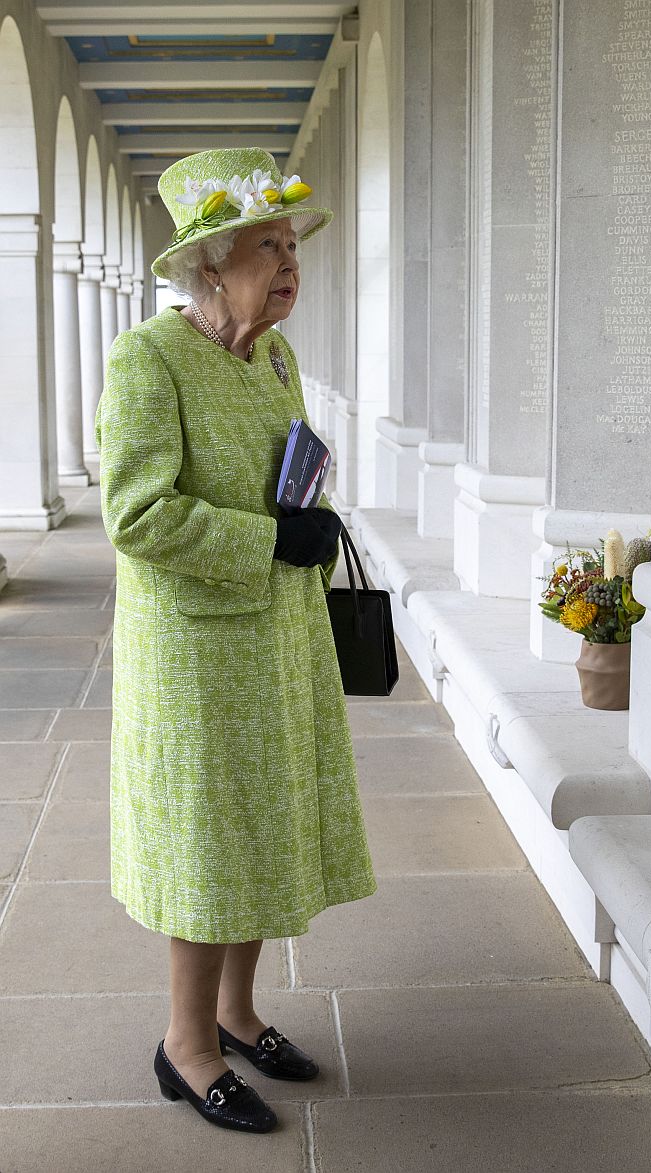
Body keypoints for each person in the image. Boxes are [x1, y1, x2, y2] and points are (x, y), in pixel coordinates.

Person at [95, 148, 377, 1134]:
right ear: (210, 264)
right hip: (199, 656)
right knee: (208, 846)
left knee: (262, 826)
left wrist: (313, 518)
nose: (290, 263)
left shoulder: (275, 355)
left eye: (292, 244)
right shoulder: (148, 360)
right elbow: (134, 517)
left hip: (281, 637)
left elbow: (285, 471)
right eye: (269, 245)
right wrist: (269, 539)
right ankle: (186, 1046)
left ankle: (238, 1013)